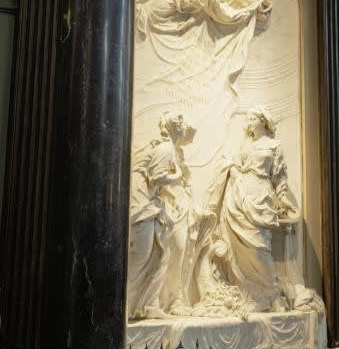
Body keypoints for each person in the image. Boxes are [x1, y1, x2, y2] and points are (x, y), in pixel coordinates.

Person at [201, 108, 299, 313]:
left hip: (261, 194)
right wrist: (234, 170)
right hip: (239, 194)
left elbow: (279, 177)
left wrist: (284, 199)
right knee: (240, 247)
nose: (249, 121)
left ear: (263, 120)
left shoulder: (274, 145)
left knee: (260, 246)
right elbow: (234, 163)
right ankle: (251, 294)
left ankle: (272, 294)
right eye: (248, 119)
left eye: (252, 118)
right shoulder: (246, 145)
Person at [127, 113, 195, 321]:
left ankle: (150, 305)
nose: (185, 128)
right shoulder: (166, 148)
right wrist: (178, 175)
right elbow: (158, 177)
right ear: (176, 128)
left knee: (160, 254)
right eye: (182, 125)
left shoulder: (168, 148)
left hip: (151, 204)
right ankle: (125, 303)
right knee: (142, 254)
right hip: (141, 203)